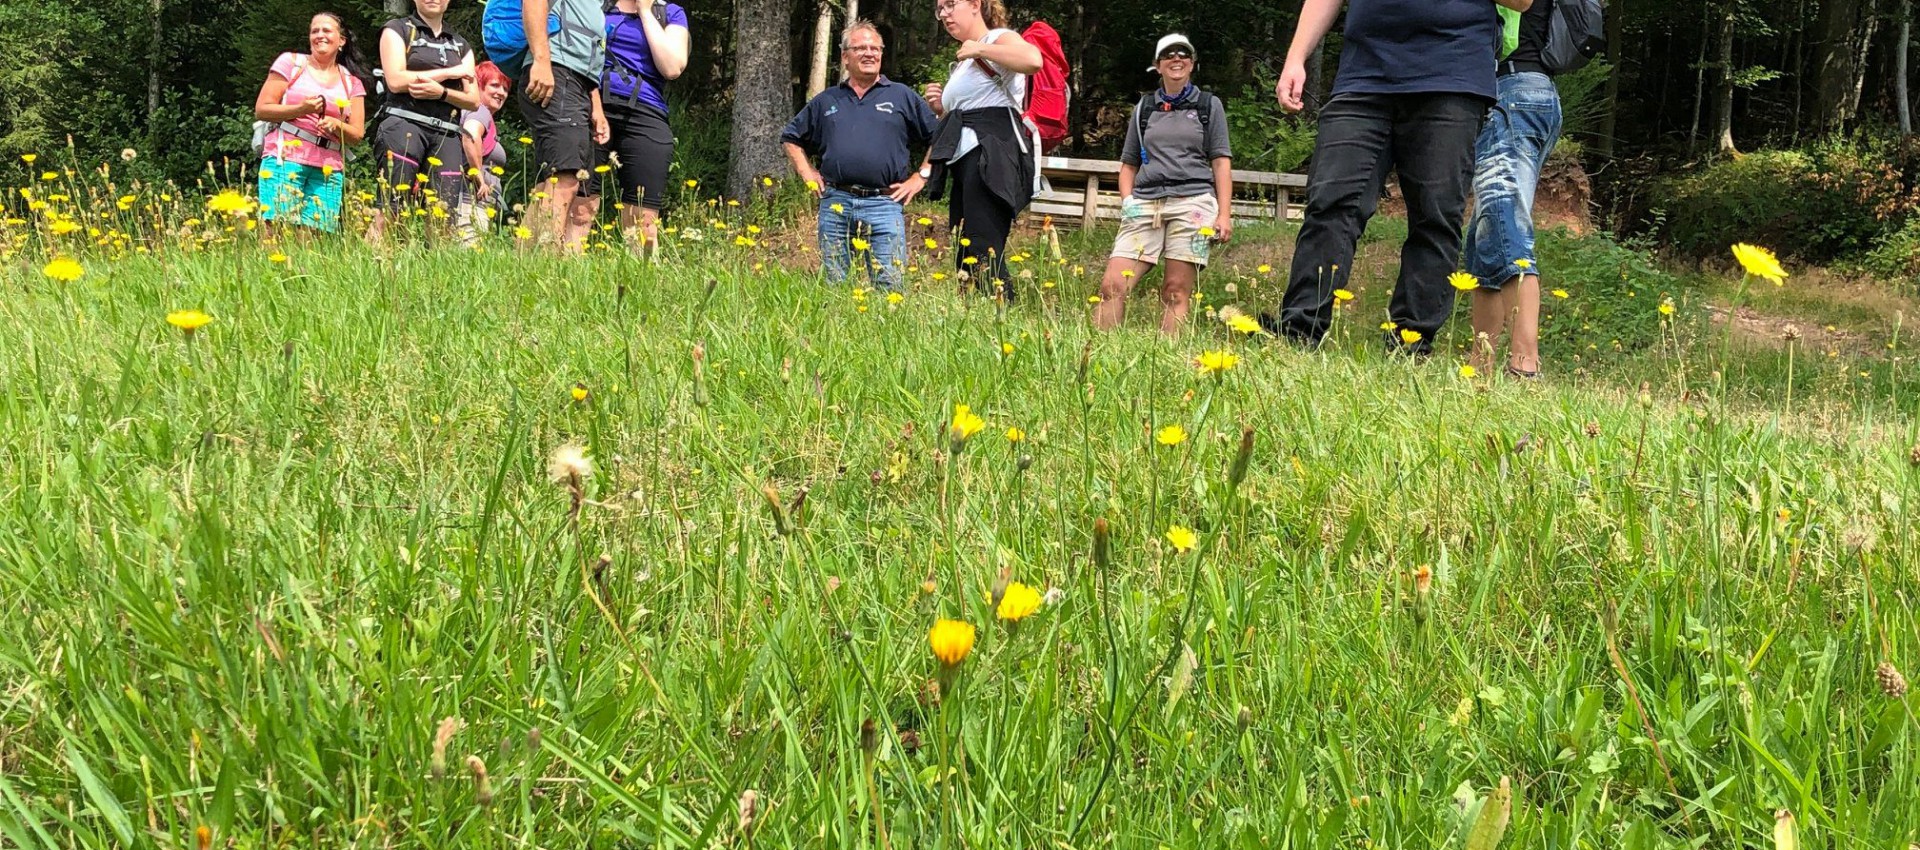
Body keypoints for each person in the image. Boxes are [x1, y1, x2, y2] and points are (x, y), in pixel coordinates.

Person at [1266, 0, 1531, 354]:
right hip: (1363, 76)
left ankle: (1410, 346)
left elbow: (1523, 2)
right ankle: (1299, 332)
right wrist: (1296, 56)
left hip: (1453, 74)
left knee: (1434, 217)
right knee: (1330, 202)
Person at [782, 20, 939, 290]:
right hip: (836, 201)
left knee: (890, 286)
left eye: (875, 48)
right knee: (834, 285)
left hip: (885, 204)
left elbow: (939, 137)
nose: (870, 53)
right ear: (845, 57)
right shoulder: (827, 100)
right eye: (861, 48)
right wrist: (807, 173)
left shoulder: (902, 96)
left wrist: (921, 175)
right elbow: (791, 137)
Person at [1093, 34, 1233, 335]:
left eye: (1184, 53)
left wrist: (1224, 214)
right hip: (1145, 202)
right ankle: (1099, 355)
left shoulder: (1209, 105)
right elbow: (1129, 164)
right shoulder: (1145, 108)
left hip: (1193, 202)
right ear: (1157, 65)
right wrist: (1128, 201)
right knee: (1112, 284)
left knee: (1175, 290)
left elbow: (1221, 161)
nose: (1177, 58)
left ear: (1192, 63)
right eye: (1169, 54)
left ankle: (1169, 361)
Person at [917, 0, 1042, 301]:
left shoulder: (997, 38)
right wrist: (941, 107)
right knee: (966, 249)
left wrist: (979, 49)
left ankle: (1002, 320)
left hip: (991, 154)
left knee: (981, 246)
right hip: (967, 159)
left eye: (950, 5)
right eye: (939, 10)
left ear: (975, 4)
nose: (944, 14)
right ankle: (975, 323)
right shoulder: (962, 61)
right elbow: (971, 106)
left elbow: (1033, 59)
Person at [1465, 0, 1562, 378]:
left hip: (1513, 91)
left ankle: (1525, 365)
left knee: (1505, 225)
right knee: (1485, 234)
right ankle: (1480, 363)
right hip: (1532, 92)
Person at [495, 0, 608, 250]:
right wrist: (542, 60)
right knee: (565, 178)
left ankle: (522, 267)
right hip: (556, 72)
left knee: (549, 183)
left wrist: (595, 106)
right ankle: (548, 269)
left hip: (575, 81)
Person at [586, 0, 690, 254]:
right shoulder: (597, 7)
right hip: (592, 105)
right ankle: (562, 271)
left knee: (643, 218)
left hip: (645, 111)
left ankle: (642, 283)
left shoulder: (670, 14)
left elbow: (672, 67)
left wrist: (645, 11)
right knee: (580, 206)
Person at [371, 0, 480, 239]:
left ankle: (436, 272)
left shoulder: (460, 44)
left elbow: (473, 100)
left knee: (443, 215)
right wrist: (449, 73)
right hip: (404, 123)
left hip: (446, 133)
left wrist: (441, 93)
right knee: (393, 206)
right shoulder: (397, 29)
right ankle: (374, 266)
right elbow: (396, 80)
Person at [252, 12, 368, 234]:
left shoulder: (352, 82)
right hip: (284, 159)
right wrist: (301, 110)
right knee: (275, 231)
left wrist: (336, 125)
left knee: (313, 239)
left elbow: (357, 134)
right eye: (315, 31)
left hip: (328, 167)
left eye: (326, 30)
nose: (320, 35)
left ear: (341, 41)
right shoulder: (291, 63)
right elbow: (262, 109)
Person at [454, 61, 512, 244]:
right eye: (494, 85)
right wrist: (479, 176)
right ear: (478, 87)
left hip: (466, 198)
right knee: (469, 257)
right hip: (470, 199)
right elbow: (470, 135)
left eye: (505, 88)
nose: (501, 92)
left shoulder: (472, 112)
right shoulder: (479, 110)